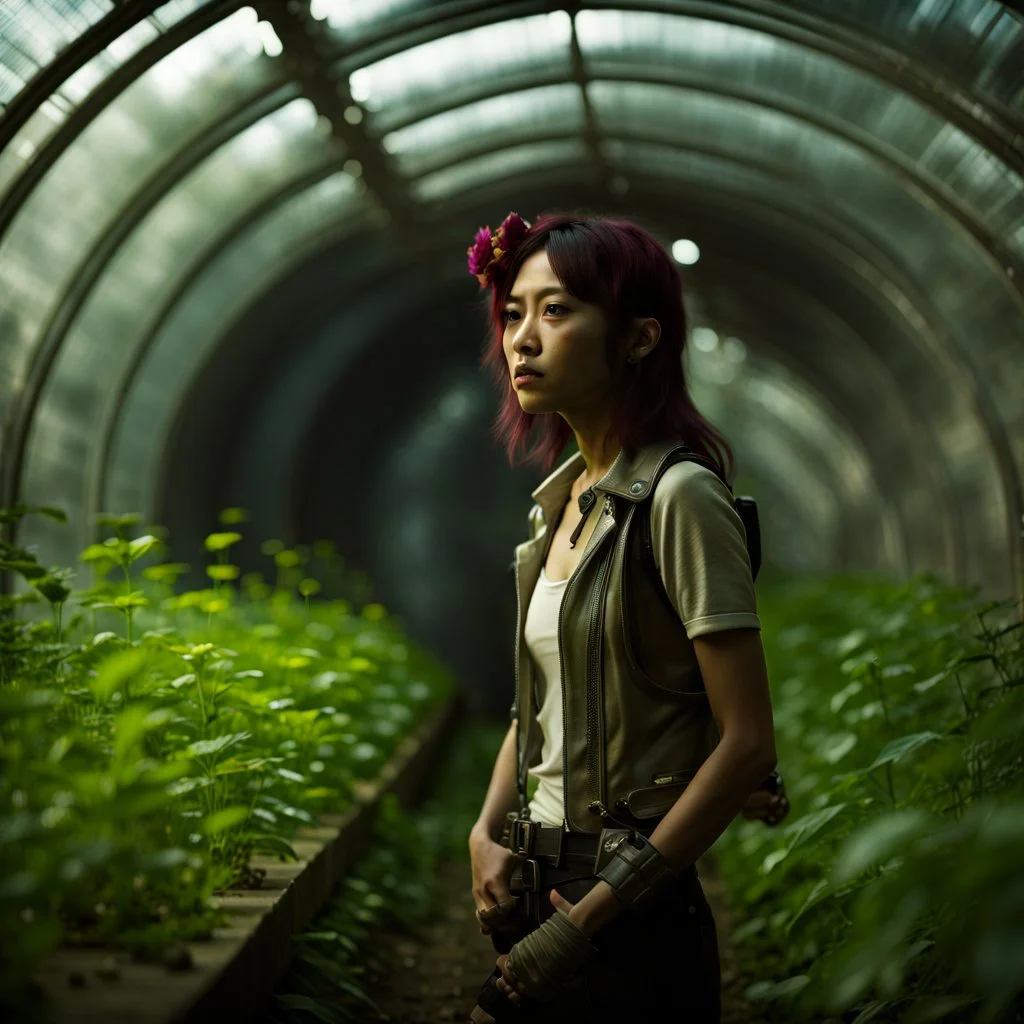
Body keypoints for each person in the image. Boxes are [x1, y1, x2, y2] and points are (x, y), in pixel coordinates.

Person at [465, 211, 787, 1023]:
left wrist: (599, 913)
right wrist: (485, 830)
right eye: (513, 312)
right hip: (545, 900)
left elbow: (747, 742)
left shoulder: (681, 498)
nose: (523, 339)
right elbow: (537, 701)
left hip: (631, 921)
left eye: (557, 310)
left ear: (640, 339)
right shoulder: (559, 504)